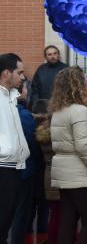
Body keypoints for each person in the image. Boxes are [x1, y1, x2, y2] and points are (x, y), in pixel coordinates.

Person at [50, 67, 87, 244]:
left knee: (67, 222)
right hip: (82, 175)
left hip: (64, 175)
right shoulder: (80, 111)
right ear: (79, 85)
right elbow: (83, 146)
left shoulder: (59, 111)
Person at [0, 53, 29, 244]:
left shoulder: (11, 96)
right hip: (3, 167)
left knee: (6, 222)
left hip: (15, 167)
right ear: (6, 73)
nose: (23, 77)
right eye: (19, 72)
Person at [11, 80, 44, 244]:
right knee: (21, 214)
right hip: (25, 171)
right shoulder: (24, 115)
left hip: (11, 171)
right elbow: (33, 145)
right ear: (21, 92)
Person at [35, 101, 60, 244]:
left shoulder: (42, 133)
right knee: (60, 215)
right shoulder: (54, 134)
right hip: (58, 177)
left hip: (48, 177)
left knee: (55, 214)